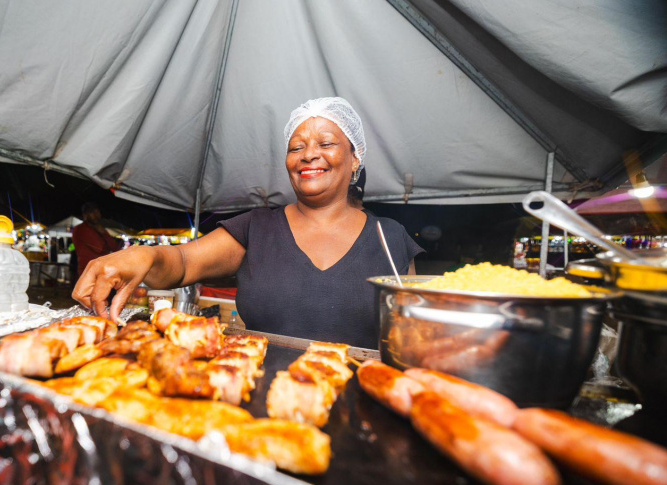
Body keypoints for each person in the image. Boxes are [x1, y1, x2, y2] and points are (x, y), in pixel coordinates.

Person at [73, 97, 423, 348]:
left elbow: (412, 336)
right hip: (252, 408)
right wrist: (141, 256)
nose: (308, 155)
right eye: (296, 147)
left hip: (357, 421)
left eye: (326, 143)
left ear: (355, 157)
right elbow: (182, 263)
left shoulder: (390, 237)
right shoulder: (257, 228)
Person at [71, 201, 122, 277]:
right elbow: (99, 248)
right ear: (85, 215)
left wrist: (104, 233)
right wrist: (104, 235)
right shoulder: (81, 229)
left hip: (102, 271)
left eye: (97, 212)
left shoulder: (99, 229)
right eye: (92, 212)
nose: (96, 215)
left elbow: (115, 248)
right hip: (88, 272)